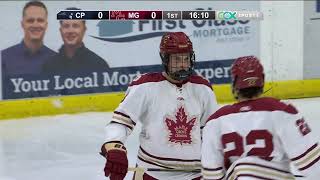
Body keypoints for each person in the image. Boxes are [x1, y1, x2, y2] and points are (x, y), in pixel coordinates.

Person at [100, 32, 219, 180]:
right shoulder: (145, 86)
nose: (183, 64)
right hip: (151, 173)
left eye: (186, 59)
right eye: (176, 60)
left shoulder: (203, 88)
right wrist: (114, 144)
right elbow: (121, 122)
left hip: (195, 174)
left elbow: (212, 131)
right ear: (165, 59)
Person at [201, 56, 320, 180]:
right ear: (262, 81)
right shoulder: (283, 111)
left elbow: (211, 174)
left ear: (235, 84)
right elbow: (312, 165)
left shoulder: (215, 121)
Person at [42, 7, 109, 74]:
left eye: (75, 26)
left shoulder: (99, 65)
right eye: (66, 26)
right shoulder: (49, 66)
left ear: (84, 30)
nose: (70, 31)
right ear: (60, 30)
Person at [1, 1, 56, 76]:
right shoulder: (4, 58)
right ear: (22, 24)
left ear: (46, 25)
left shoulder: (57, 60)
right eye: (30, 21)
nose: (35, 25)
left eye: (40, 20)